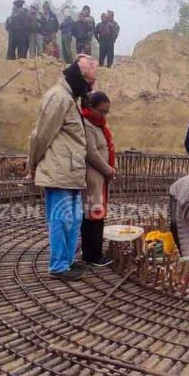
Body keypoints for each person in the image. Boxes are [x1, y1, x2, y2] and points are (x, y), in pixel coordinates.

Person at [27, 55, 98, 281]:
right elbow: (40, 135)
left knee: (74, 219)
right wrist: (32, 165)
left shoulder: (69, 98)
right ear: (78, 78)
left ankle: (66, 261)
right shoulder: (58, 98)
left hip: (71, 171)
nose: (89, 89)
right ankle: (58, 266)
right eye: (88, 83)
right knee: (61, 218)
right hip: (59, 172)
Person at [81, 91, 117, 266]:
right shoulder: (87, 125)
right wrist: (109, 170)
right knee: (92, 216)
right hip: (93, 177)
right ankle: (92, 255)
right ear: (90, 107)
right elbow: (91, 153)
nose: (104, 115)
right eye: (102, 111)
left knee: (97, 214)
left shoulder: (97, 125)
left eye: (106, 112)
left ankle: (94, 252)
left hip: (100, 177)